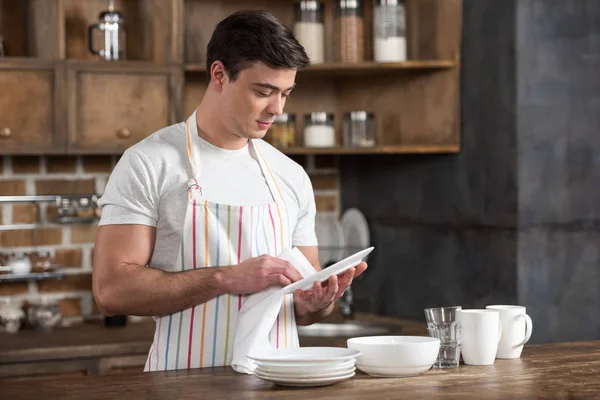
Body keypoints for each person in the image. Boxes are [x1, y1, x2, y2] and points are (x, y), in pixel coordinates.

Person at [92, 10, 367, 372]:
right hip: (181, 386)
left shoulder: (290, 176)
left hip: (278, 387)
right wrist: (225, 278)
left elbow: (305, 307)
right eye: (263, 91)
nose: (278, 109)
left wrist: (317, 302)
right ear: (219, 74)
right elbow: (111, 291)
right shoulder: (149, 163)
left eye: (285, 93)